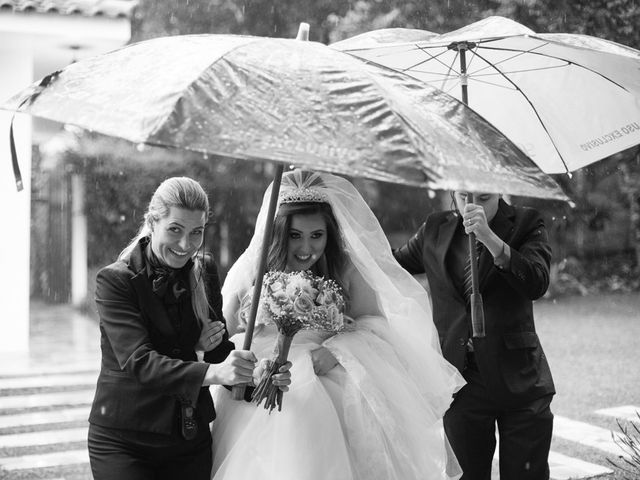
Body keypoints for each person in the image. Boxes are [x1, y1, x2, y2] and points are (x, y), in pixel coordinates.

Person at [210, 169, 465, 480]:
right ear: (278, 232)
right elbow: (228, 335)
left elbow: (375, 326)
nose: (306, 248)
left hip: (326, 373)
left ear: (330, 232)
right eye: (295, 235)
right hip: (259, 384)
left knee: (313, 432)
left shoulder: (346, 268)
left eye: (317, 235)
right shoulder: (255, 269)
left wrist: (337, 351)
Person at [87, 176, 290, 480]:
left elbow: (220, 349)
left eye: (196, 232)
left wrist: (257, 375)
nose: (186, 245)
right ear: (152, 222)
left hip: (189, 436)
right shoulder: (115, 280)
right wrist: (214, 371)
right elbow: (139, 362)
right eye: (175, 230)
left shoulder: (204, 270)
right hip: (125, 440)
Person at [393, 191, 555, 480]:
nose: (473, 205)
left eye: (484, 198)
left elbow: (536, 283)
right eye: (464, 196)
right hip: (461, 379)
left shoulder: (527, 222)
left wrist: (490, 239)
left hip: (519, 376)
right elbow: (390, 266)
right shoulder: (434, 227)